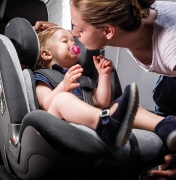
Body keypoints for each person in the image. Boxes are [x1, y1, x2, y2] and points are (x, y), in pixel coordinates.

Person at [34, 0, 176, 178]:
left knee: (131, 110)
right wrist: (63, 86)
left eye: (78, 31)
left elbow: (101, 102)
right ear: (46, 54)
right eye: (66, 40)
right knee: (62, 99)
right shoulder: (42, 77)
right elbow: (47, 104)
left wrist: (103, 75)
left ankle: (167, 125)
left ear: (109, 30)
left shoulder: (83, 77)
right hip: (56, 123)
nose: (75, 37)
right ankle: (107, 124)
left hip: (94, 119)